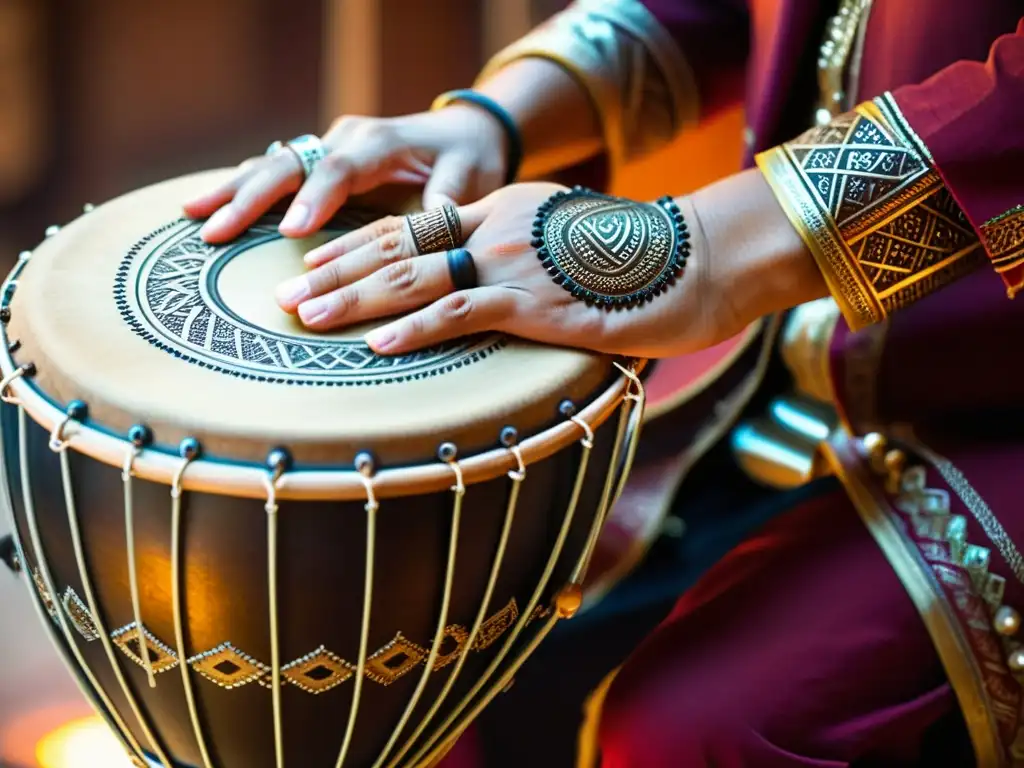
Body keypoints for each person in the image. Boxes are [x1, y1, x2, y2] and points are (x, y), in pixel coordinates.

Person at [185, 0, 1024, 765]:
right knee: (428, 628)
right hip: (773, 360)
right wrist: (490, 120)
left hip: (993, 399)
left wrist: (702, 247)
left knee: (701, 734)